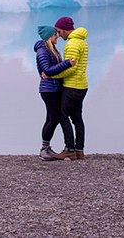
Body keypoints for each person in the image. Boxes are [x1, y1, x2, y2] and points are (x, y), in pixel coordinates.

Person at [45, 16, 89, 160]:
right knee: (77, 118)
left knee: (63, 115)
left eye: (58, 31)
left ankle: (69, 148)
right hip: (82, 85)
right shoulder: (82, 41)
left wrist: (53, 76)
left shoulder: (72, 44)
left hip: (71, 86)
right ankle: (79, 150)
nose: (58, 34)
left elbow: (71, 68)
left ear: (64, 30)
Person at [34, 25, 76, 161]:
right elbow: (48, 70)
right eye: (55, 34)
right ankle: (44, 149)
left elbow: (50, 70)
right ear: (49, 37)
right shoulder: (43, 51)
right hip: (48, 90)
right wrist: (67, 64)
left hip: (54, 88)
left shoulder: (51, 50)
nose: (57, 36)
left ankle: (46, 148)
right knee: (54, 118)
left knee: (51, 118)